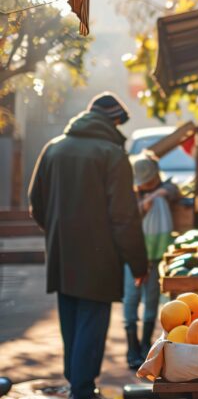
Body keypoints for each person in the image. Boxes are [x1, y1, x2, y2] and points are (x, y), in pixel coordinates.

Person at [28, 92, 148, 399]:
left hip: (61, 252)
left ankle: (77, 384)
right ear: (113, 122)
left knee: (71, 322)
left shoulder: (53, 149)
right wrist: (138, 263)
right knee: (92, 325)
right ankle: (81, 390)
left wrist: (58, 232)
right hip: (99, 257)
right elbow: (124, 216)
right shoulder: (112, 154)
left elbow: (35, 204)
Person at [124, 154, 180, 369]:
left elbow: (173, 191)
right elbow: (124, 218)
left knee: (151, 300)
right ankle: (131, 348)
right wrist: (142, 206)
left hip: (157, 256)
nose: (147, 185)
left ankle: (146, 344)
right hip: (133, 254)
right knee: (131, 298)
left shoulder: (165, 189)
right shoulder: (129, 196)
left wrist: (157, 194)